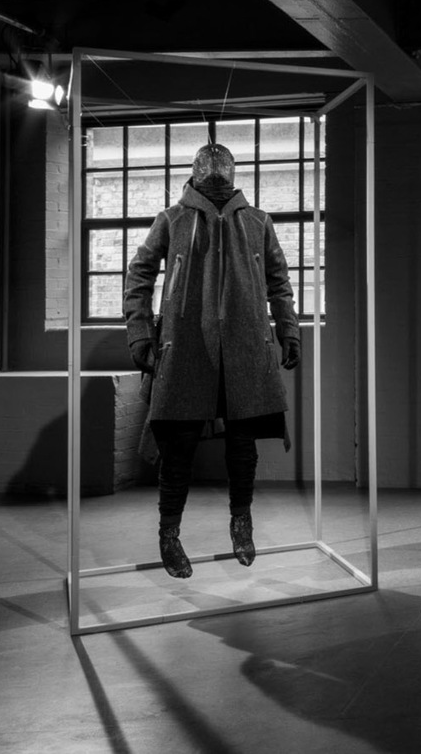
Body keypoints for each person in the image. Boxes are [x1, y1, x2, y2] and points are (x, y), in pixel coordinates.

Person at [124, 143, 301, 578]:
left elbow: (279, 281)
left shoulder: (258, 221)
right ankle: (169, 534)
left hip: (244, 344)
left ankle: (241, 521)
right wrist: (142, 333)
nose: (217, 177)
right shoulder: (172, 218)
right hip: (185, 346)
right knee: (177, 445)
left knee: (242, 445)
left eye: (224, 171)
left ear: (233, 173)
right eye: (210, 170)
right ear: (196, 172)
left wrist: (287, 328)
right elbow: (139, 275)